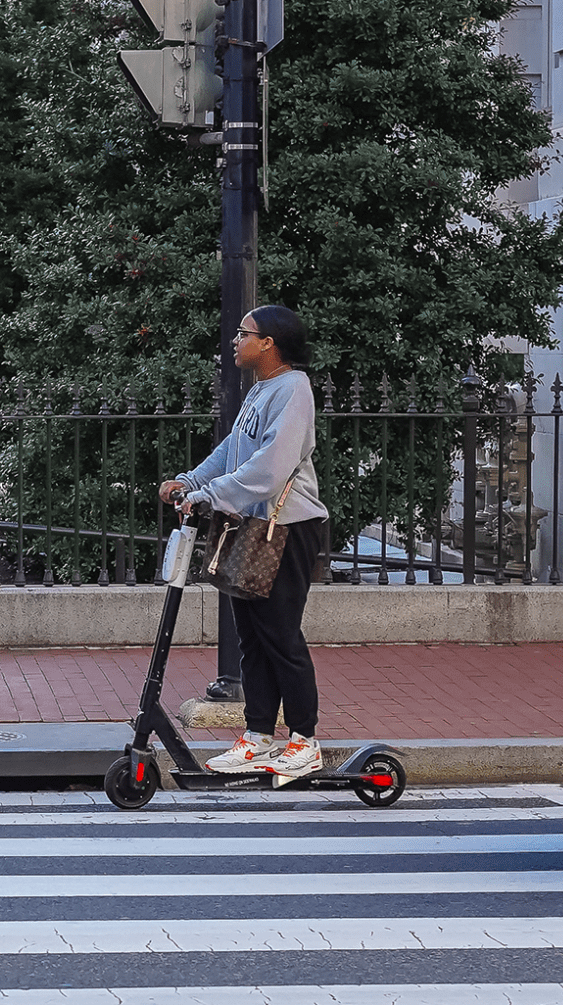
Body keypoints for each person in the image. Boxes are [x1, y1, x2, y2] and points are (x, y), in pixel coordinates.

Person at [160, 305, 330, 777]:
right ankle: (258, 737)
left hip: (287, 528)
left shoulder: (294, 389)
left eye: (244, 333)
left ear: (269, 342)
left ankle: (304, 741)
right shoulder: (261, 390)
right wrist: (188, 480)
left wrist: (208, 494)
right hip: (251, 526)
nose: (236, 340)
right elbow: (232, 451)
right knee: (252, 639)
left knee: (280, 636)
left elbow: (271, 467)